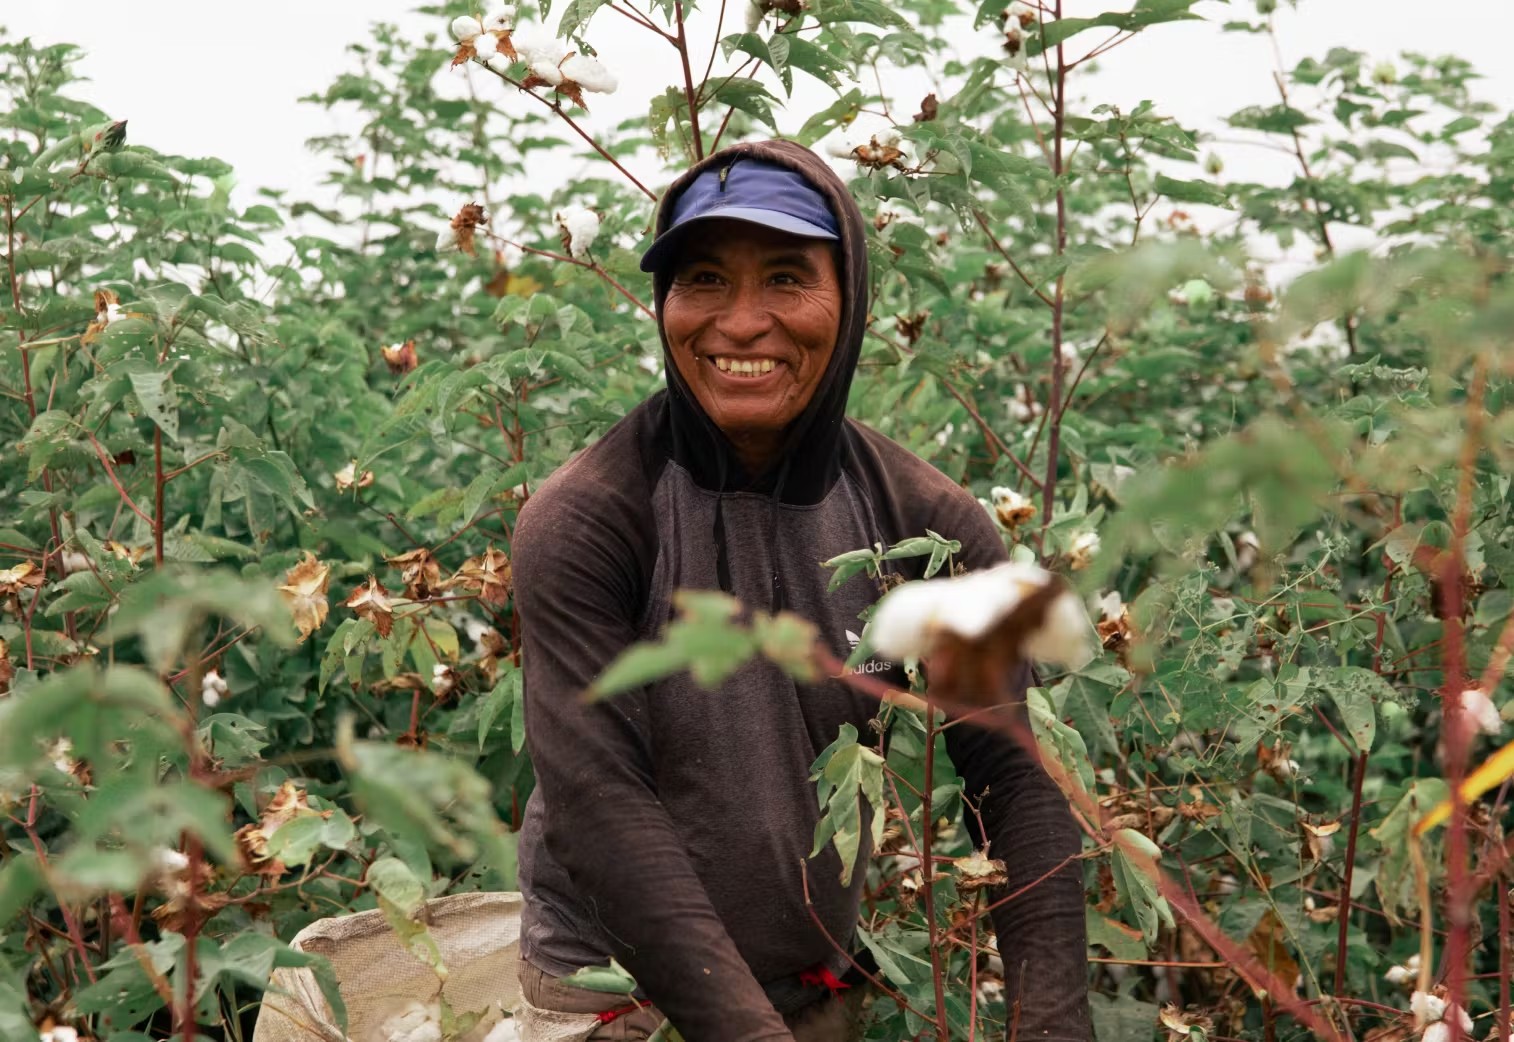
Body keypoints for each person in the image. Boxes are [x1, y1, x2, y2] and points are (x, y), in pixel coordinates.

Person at [510, 138, 1090, 1041]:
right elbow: (600, 806)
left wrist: (1052, 1023)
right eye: (703, 279)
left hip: (810, 988)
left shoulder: (925, 524)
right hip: (613, 999)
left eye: (786, 278)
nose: (741, 323)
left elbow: (1012, 780)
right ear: (665, 302)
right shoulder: (592, 518)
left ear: (848, 298)